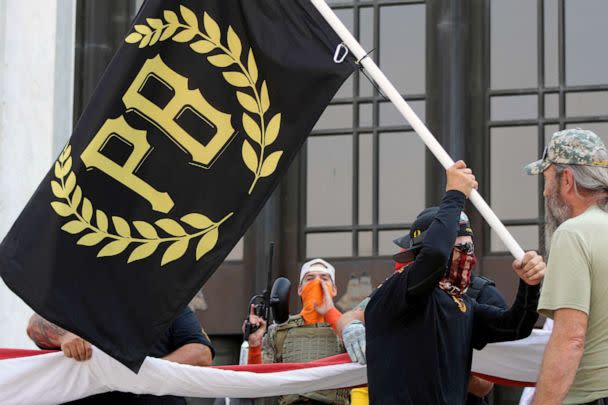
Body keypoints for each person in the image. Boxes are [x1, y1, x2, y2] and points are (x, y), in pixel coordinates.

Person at [341, 160, 544, 404]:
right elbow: (435, 256)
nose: (467, 256)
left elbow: (516, 326)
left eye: (470, 247)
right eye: (459, 248)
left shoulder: (462, 305)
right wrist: (455, 194)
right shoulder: (398, 290)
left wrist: (530, 285)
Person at [337, 213, 509, 405]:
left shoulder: (481, 295)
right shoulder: (402, 288)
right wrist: (350, 327)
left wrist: (432, 359)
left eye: (421, 255)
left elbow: (484, 385)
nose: (415, 263)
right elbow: (352, 315)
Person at [523, 128, 608, 404]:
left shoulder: (573, 234)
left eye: (547, 180)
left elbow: (570, 339)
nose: (546, 193)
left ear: (567, 180)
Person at [26, 307, 214, 404]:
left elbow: (201, 353)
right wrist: (64, 335)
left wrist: (143, 374)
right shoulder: (75, 296)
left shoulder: (166, 302)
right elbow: (35, 325)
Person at [243, 258, 348, 404]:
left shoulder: (348, 330)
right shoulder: (279, 332)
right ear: (300, 289)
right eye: (310, 278)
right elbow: (255, 382)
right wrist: (254, 344)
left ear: (334, 290)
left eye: (324, 279)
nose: (317, 283)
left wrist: (334, 318)